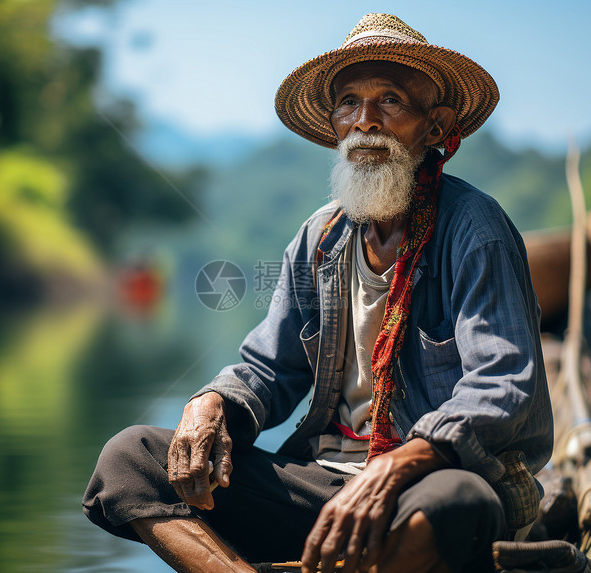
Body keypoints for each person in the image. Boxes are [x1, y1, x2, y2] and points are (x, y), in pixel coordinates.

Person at [83, 13, 552, 573]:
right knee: (129, 459)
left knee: (456, 503)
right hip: (326, 489)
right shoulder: (320, 238)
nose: (365, 122)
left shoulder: (475, 230)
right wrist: (209, 404)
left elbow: (503, 385)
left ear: (436, 126)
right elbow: (269, 371)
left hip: (425, 483)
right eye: (349, 103)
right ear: (334, 125)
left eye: (392, 100)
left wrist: (398, 465)